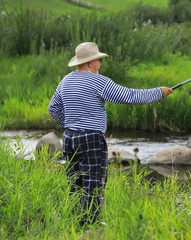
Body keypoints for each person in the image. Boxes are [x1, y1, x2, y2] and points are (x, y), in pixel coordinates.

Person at [48, 42, 173, 226]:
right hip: (92, 139)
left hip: (69, 138)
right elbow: (129, 96)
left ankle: (75, 222)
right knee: (94, 183)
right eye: (99, 60)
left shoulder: (65, 81)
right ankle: (90, 226)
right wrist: (158, 93)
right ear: (91, 63)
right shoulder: (99, 82)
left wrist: (68, 124)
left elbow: (53, 108)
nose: (100, 63)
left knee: (75, 183)